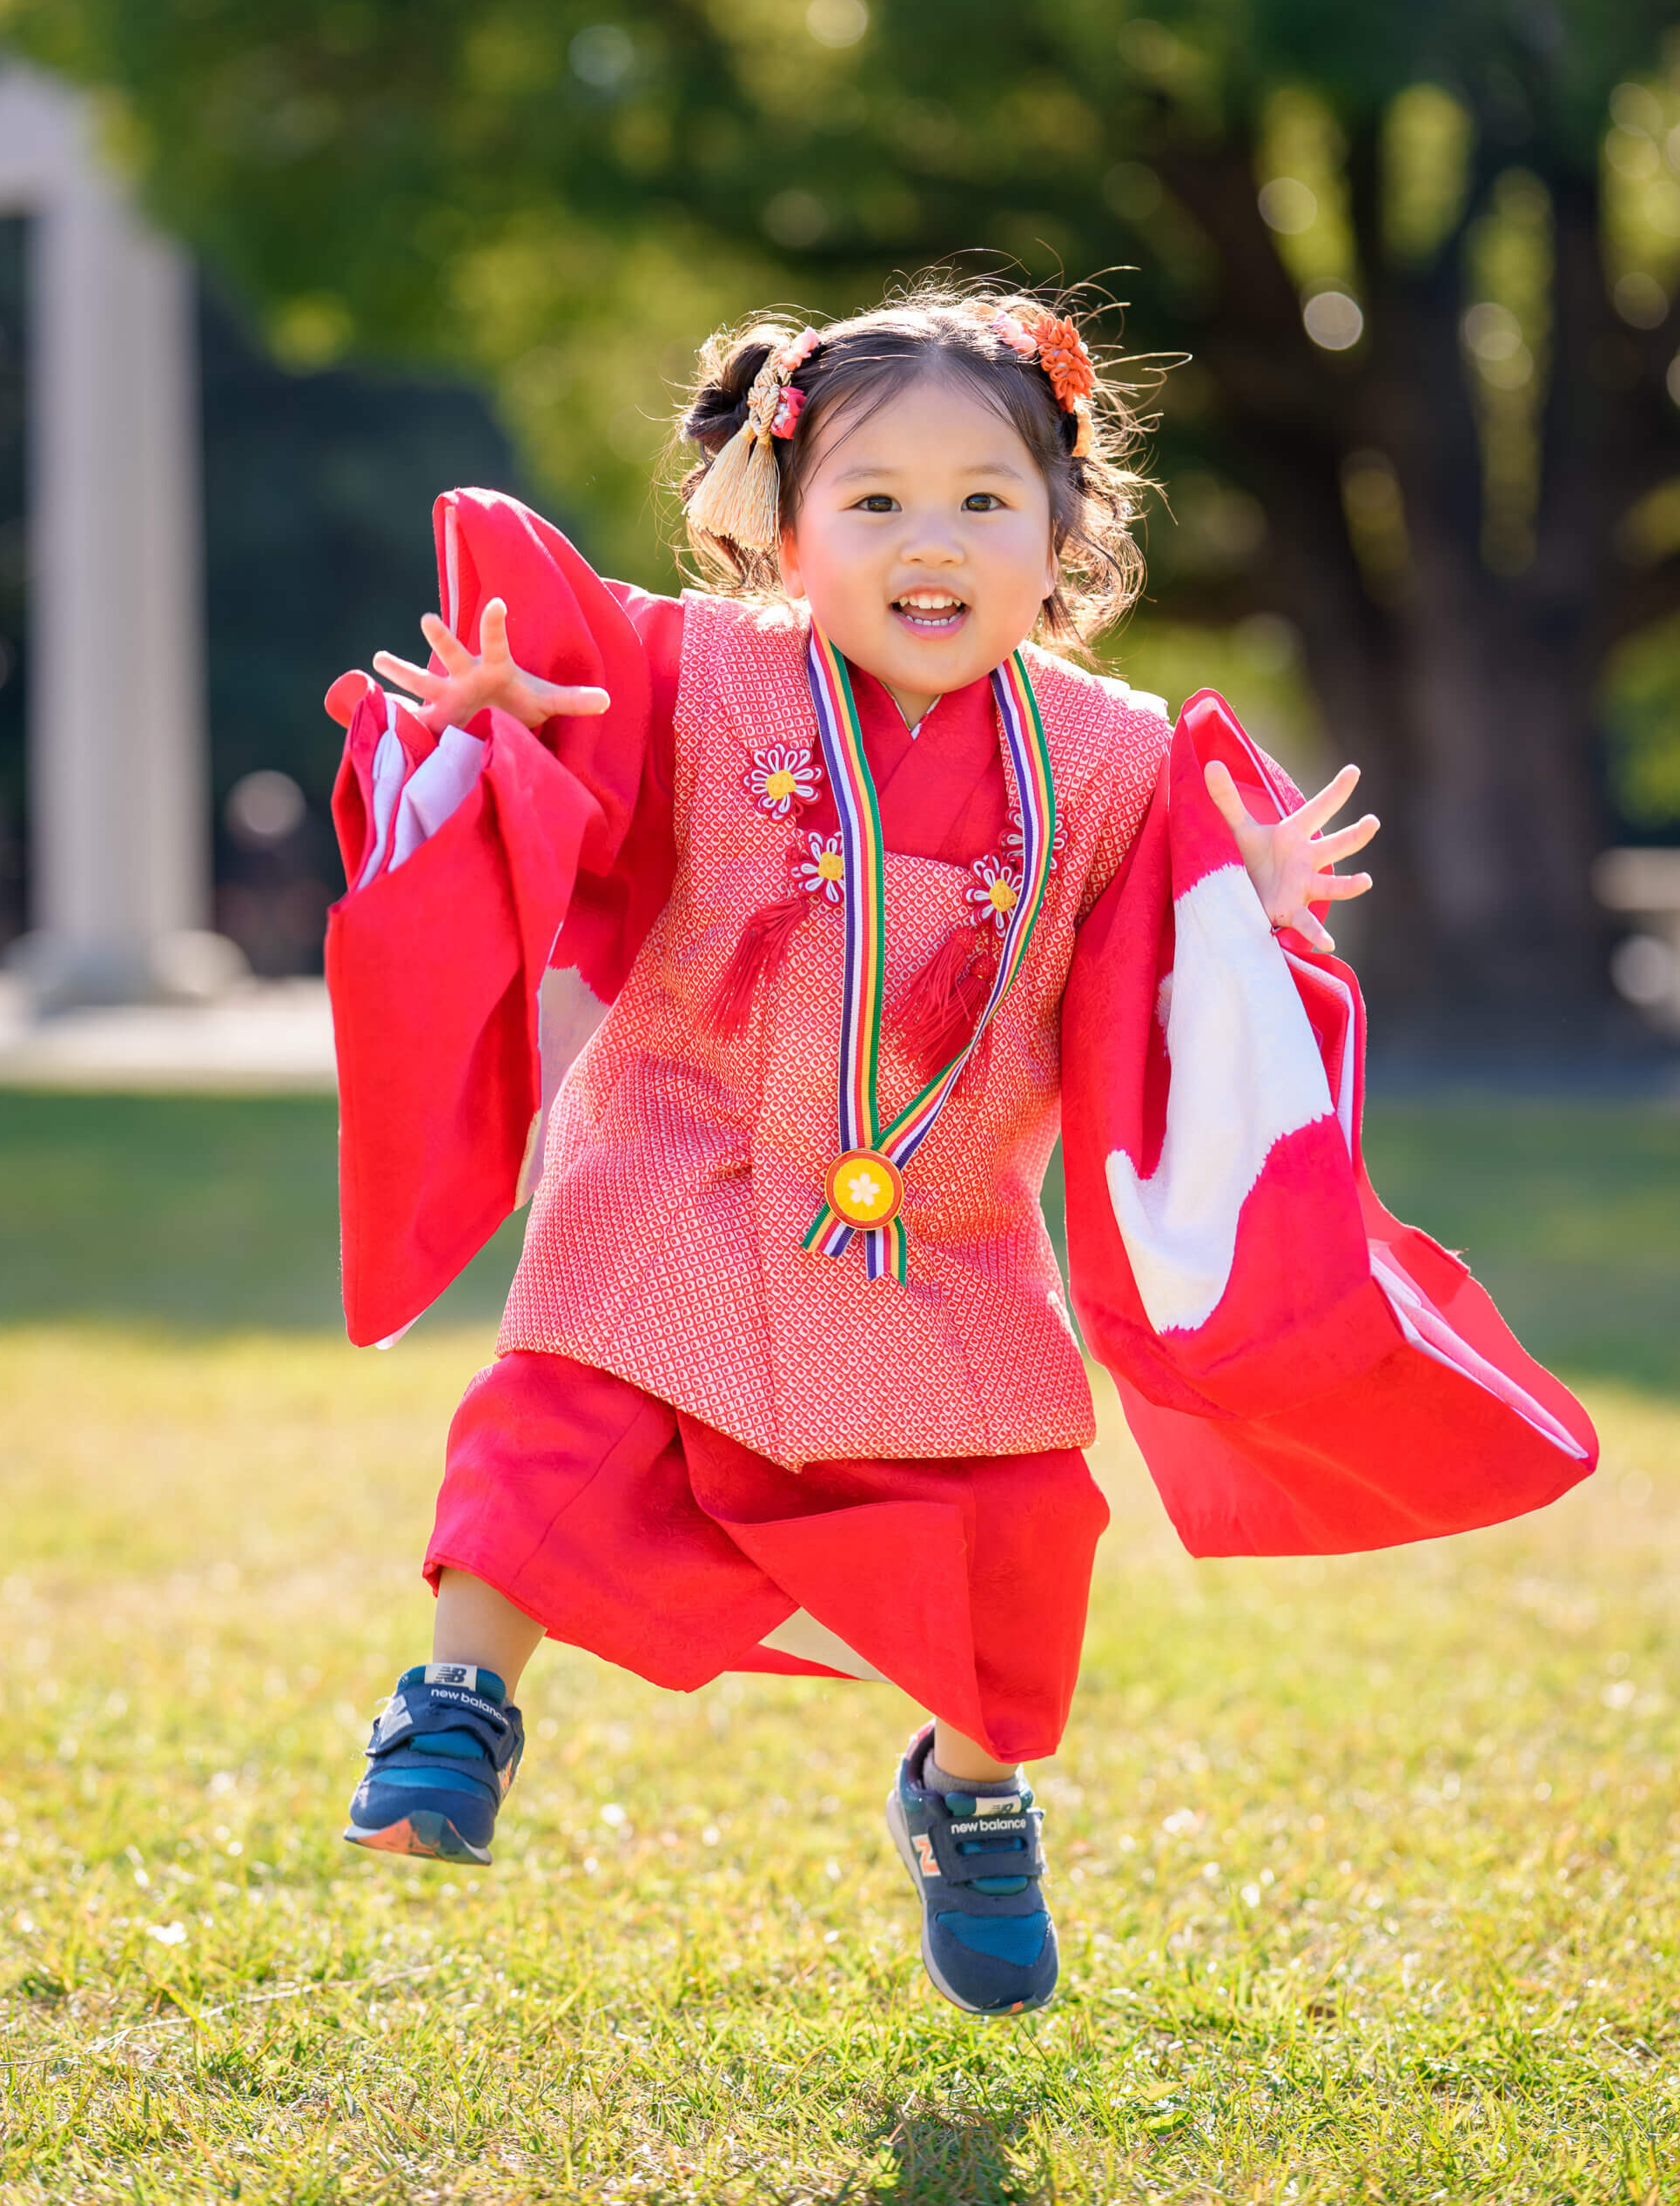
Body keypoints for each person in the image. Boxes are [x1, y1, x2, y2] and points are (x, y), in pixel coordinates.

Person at [322, 284, 1596, 2021]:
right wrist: (508, 718)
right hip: (685, 1158)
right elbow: (571, 740)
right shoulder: (700, 675)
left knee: (1007, 1523)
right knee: (569, 1413)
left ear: (1065, 527)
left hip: (943, 1213)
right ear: (774, 527)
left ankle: (971, 1787)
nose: (933, 541)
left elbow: (1168, 967)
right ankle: (458, 1703)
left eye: (986, 498)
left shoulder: (1115, 758)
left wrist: (1245, 911)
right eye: (874, 500)